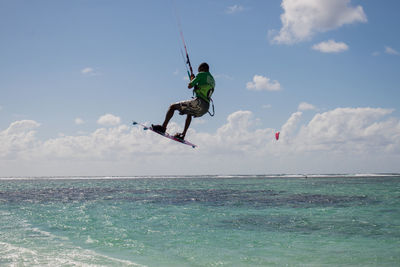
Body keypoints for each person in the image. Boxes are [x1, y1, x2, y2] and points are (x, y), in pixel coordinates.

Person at [152, 62, 215, 140]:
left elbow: (189, 86)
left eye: (199, 70)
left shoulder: (201, 74)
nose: (198, 72)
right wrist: (196, 83)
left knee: (172, 107)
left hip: (199, 103)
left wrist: (192, 79)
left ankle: (163, 127)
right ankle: (183, 134)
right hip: (206, 108)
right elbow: (202, 88)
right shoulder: (212, 80)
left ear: (202, 69)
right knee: (189, 112)